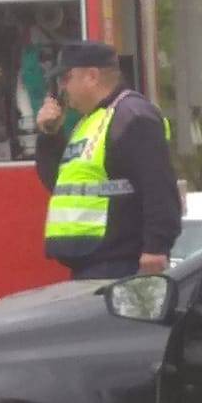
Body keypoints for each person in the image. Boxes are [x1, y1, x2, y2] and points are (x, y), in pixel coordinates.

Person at [35, 40, 181, 280]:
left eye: (66, 78)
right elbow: (60, 185)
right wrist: (49, 136)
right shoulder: (89, 122)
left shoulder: (131, 116)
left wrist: (155, 247)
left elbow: (159, 186)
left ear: (92, 76)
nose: (62, 88)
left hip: (119, 264)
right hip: (90, 263)